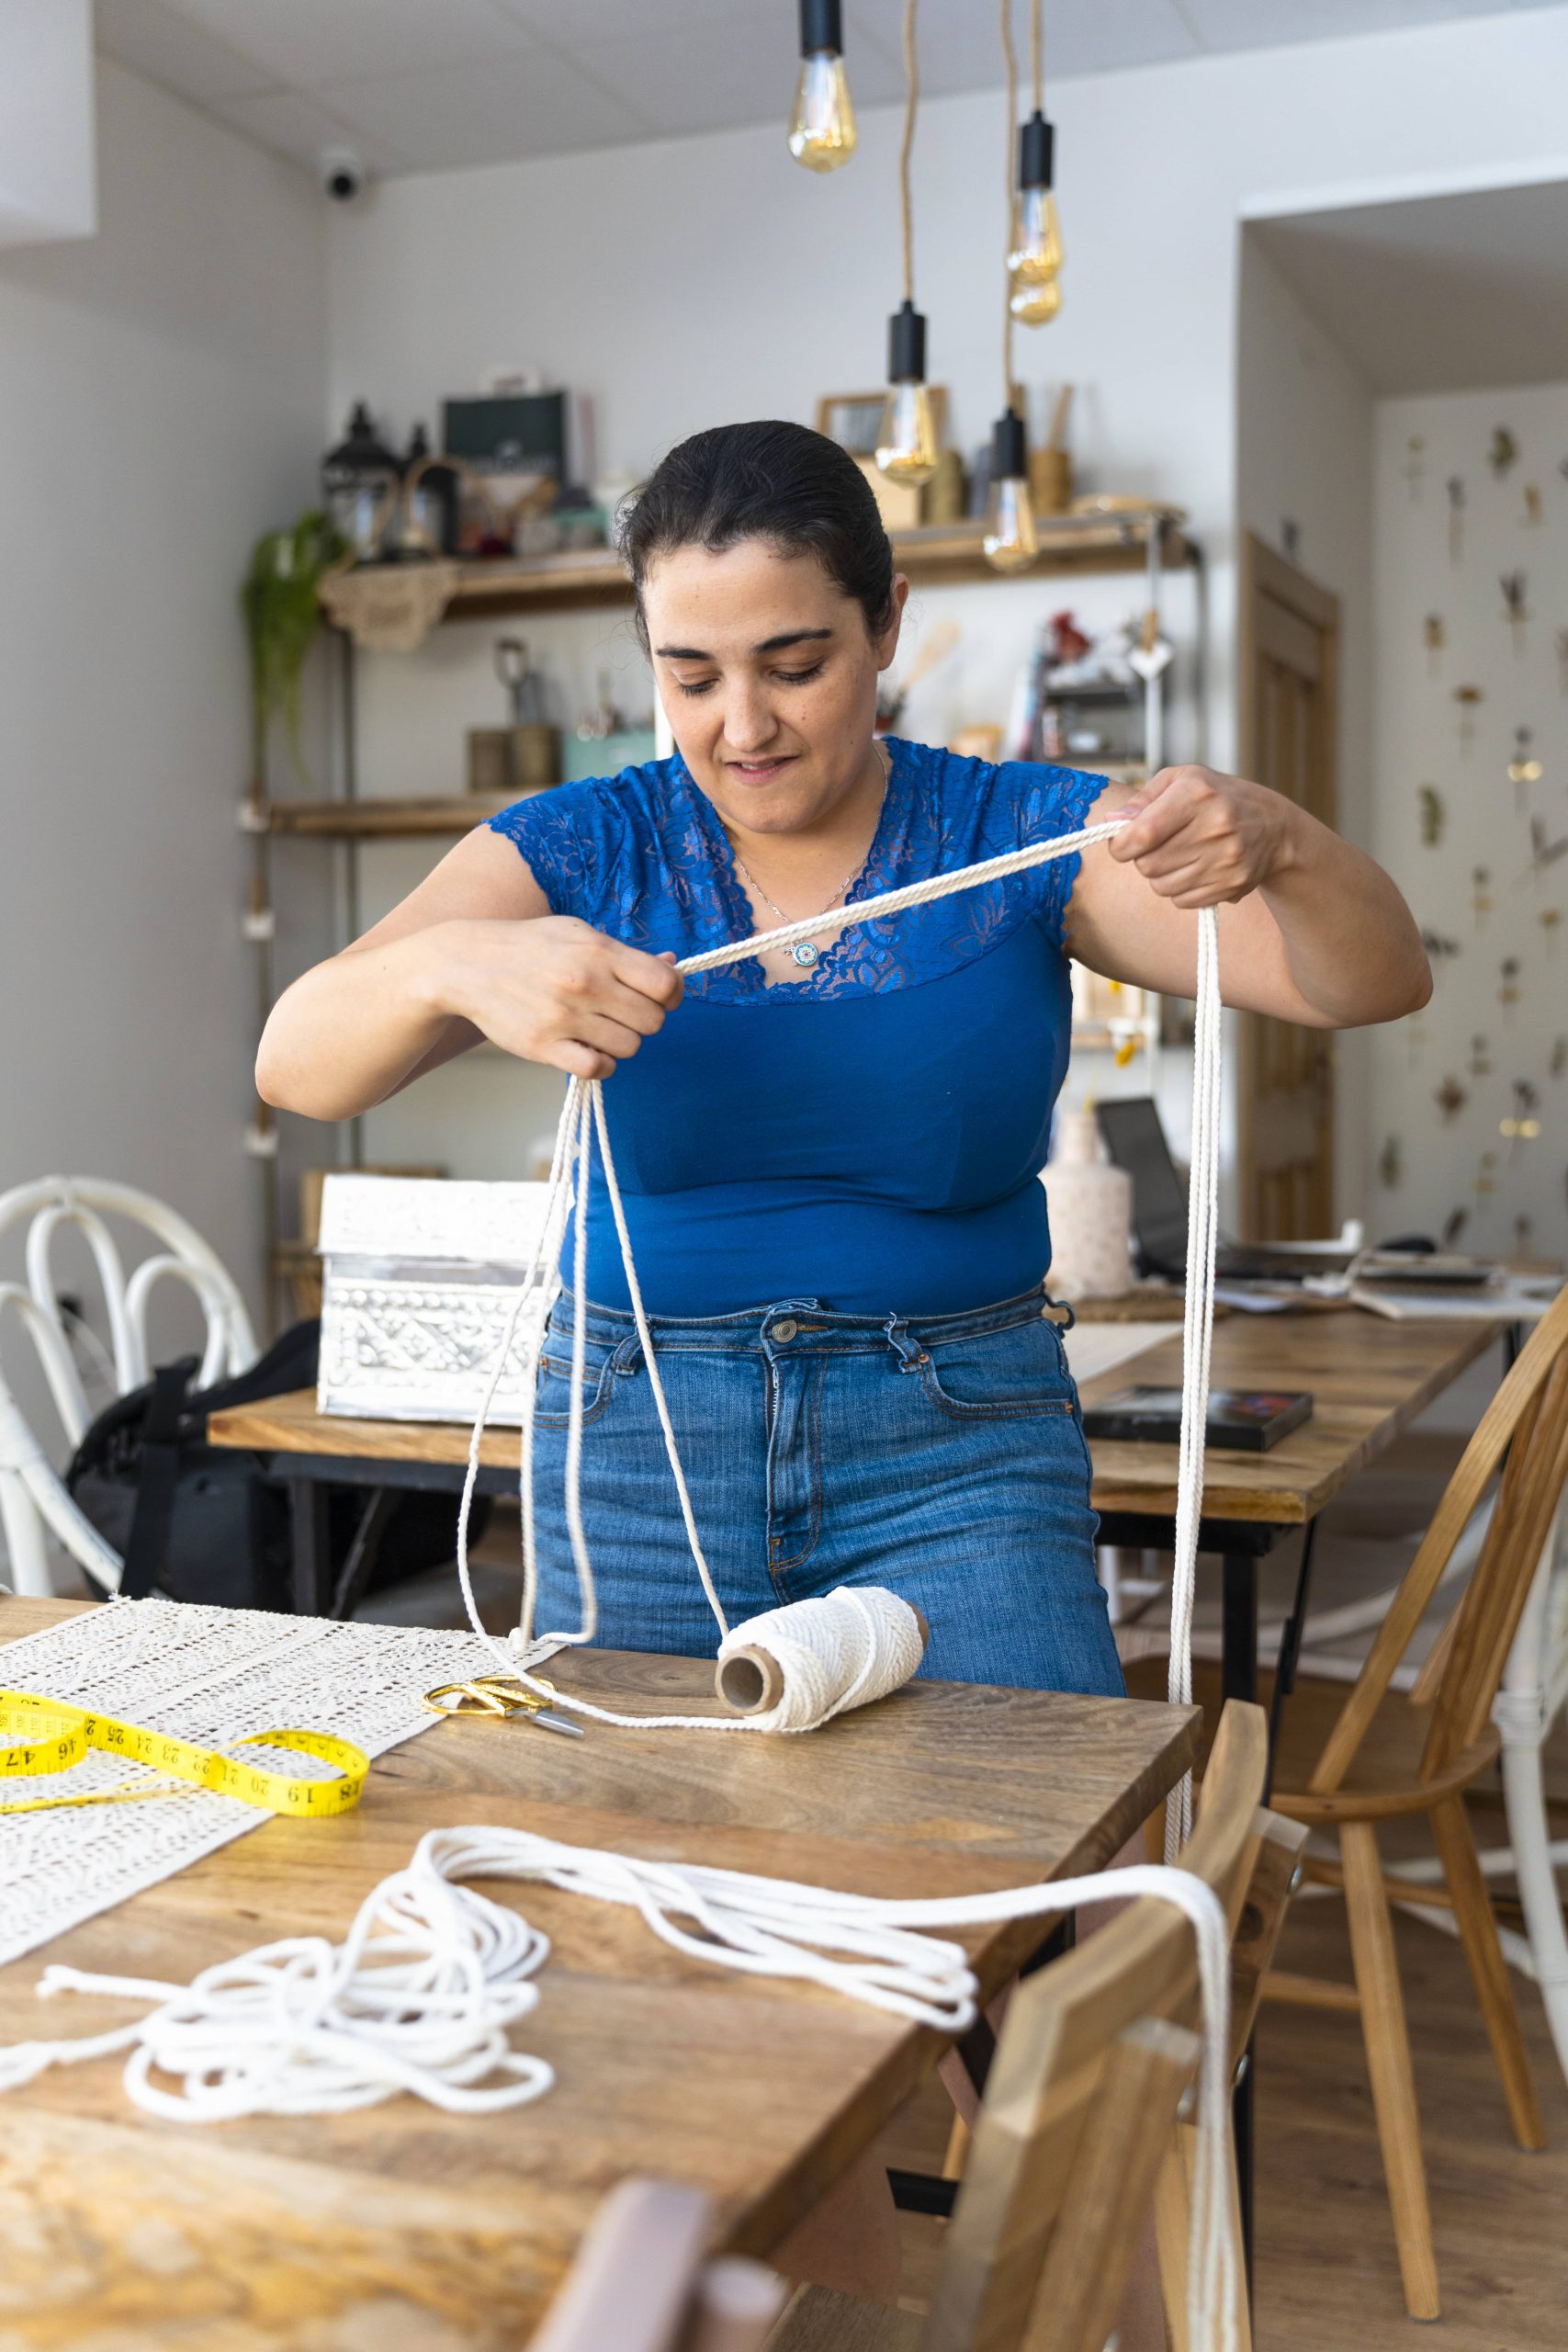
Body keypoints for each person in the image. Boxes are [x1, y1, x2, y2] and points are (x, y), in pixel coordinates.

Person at [258, 418, 1429, 1702]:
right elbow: (295, 1065)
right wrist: (447, 967)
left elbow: (1375, 980)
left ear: (885, 623)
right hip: (639, 1451)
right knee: (649, 1872)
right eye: (690, 677)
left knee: (1031, 1852)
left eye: (794, 663)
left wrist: (1290, 847)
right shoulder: (584, 847)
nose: (742, 725)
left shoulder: (1021, 837)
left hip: (961, 1453)